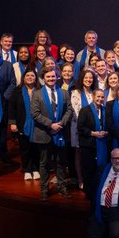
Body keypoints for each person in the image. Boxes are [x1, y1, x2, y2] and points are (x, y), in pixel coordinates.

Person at [31, 66, 74, 199]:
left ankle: (62, 186)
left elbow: (69, 110)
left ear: (57, 77)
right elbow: (35, 114)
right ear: (43, 78)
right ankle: (44, 189)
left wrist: (61, 124)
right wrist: (51, 124)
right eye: (48, 77)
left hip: (61, 132)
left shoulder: (64, 93)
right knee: (44, 163)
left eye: (53, 76)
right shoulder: (37, 93)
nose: (51, 79)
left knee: (61, 162)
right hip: (45, 134)